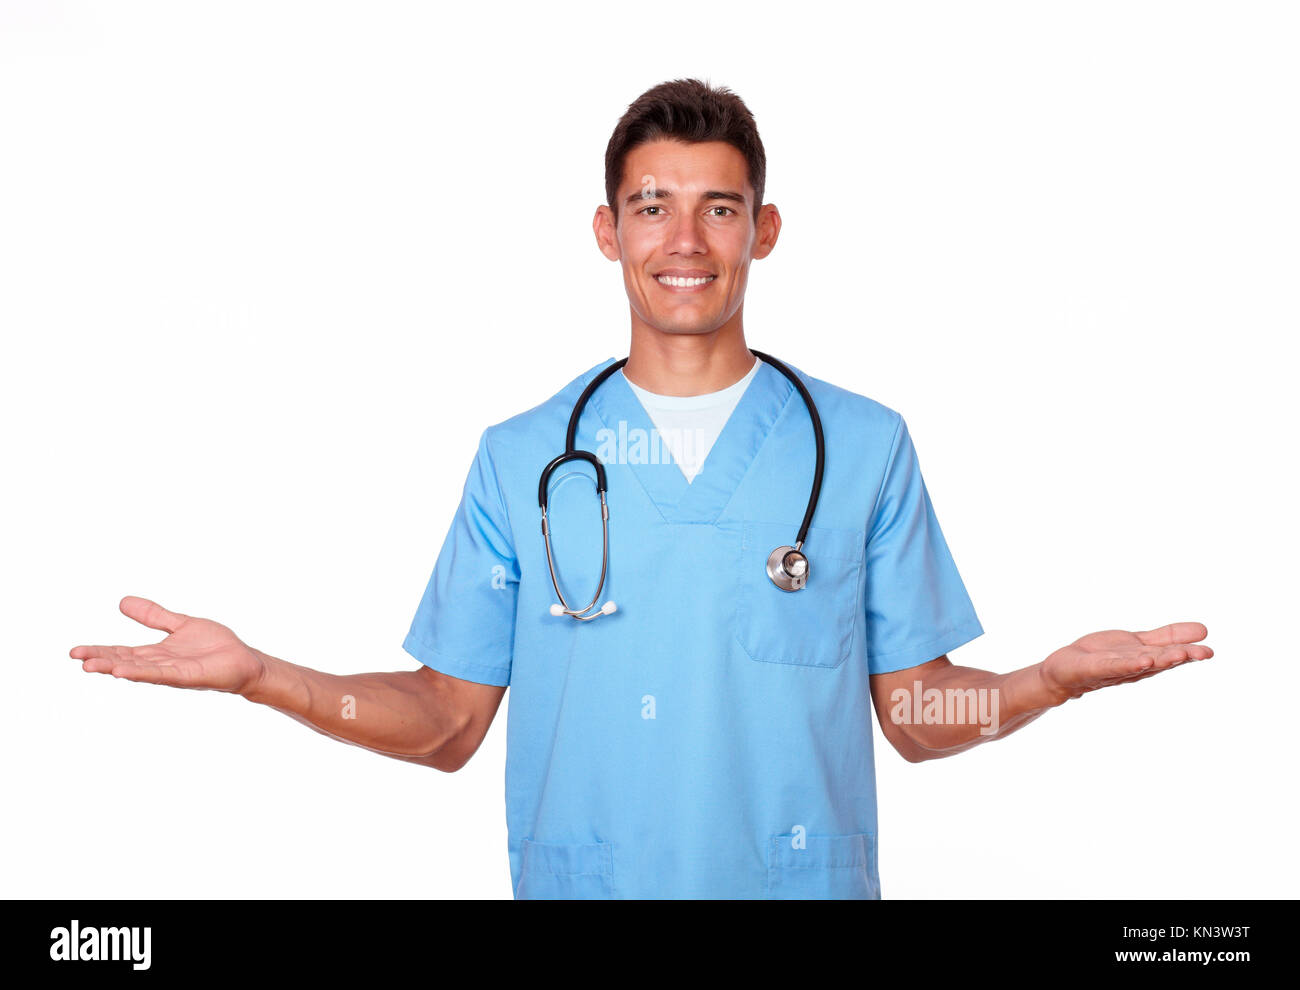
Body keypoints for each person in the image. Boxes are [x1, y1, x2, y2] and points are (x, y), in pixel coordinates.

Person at [70, 78, 1213, 899]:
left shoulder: (862, 448)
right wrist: (263, 675)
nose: (685, 238)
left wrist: (1051, 681)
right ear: (607, 231)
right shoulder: (522, 458)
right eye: (652, 205)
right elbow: (445, 724)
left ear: (762, 230)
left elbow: (918, 716)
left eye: (718, 206)